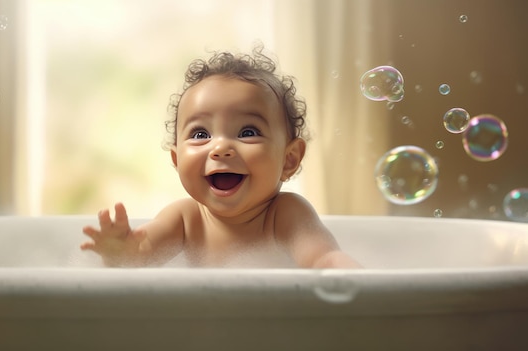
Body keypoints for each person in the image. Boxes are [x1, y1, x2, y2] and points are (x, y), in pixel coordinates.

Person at [81, 45, 361, 268]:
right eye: (201, 134)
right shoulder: (184, 219)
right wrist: (121, 252)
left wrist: (344, 271)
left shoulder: (285, 215)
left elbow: (322, 259)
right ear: (177, 160)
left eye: (248, 132)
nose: (220, 147)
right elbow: (140, 256)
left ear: (289, 159)